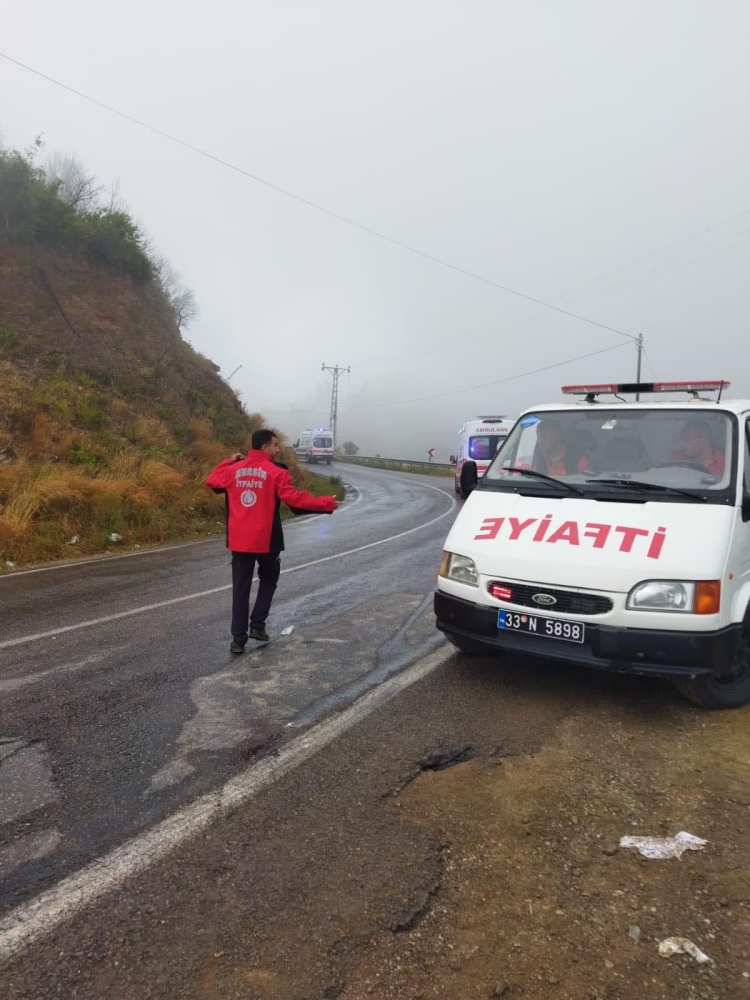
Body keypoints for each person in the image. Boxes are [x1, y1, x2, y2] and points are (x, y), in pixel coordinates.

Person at [206, 429, 340, 654]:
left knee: (240, 589)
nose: (278, 449)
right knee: (269, 579)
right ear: (265, 447)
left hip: (239, 541)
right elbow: (294, 500)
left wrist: (229, 460)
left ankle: (238, 641)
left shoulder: (232, 470)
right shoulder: (277, 471)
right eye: (276, 445)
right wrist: (325, 503)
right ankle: (257, 625)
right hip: (267, 540)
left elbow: (211, 481)